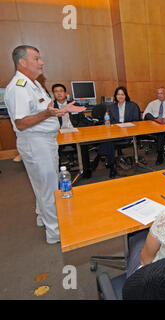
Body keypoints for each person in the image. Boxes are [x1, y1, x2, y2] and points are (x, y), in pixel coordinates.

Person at [4, 45, 85, 244]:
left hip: (45, 141)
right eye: (36, 59)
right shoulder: (19, 87)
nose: (42, 62)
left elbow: (42, 111)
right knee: (49, 188)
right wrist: (48, 114)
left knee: (42, 184)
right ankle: (55, 232)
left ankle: (43, 216)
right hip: (36, 143)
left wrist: (60, 110)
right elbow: (21, 123)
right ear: (22, 62)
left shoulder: (35, 84)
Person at [95, 86, 141, 178]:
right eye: (118, 94)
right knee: (109, 140)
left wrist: (122, 124)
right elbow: (109, 120)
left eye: (122, 94)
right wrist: (108, 122)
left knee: (108, 141)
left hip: (128, 132)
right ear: (115, 96)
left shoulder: (132, 106)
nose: (120, 96)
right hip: (115, 132)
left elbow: (136, 120)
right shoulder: (111, 107)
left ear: (126, 96)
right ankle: (112, 166)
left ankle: (99, 158)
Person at [52, 83, 94, 178]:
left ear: (65, 93)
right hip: (59, 134)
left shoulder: (75, 105)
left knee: (83, 145)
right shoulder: (51, 107)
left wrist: (77, 130)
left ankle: (86, 171)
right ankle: (57, 174)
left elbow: (83, 120)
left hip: (74, 133)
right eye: (56, 92)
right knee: (54, 150)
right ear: (53, 94)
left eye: (61, 91)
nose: (59, 94)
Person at [142, 87, 165, 165]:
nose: (159, 95)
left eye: (161, 93)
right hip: (154, 125)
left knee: (161, 133)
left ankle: (160, 154)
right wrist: (156, 119)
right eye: (158, 93)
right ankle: (157, 120)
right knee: (148, 115)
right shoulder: (152, 103)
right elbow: (145, 115)